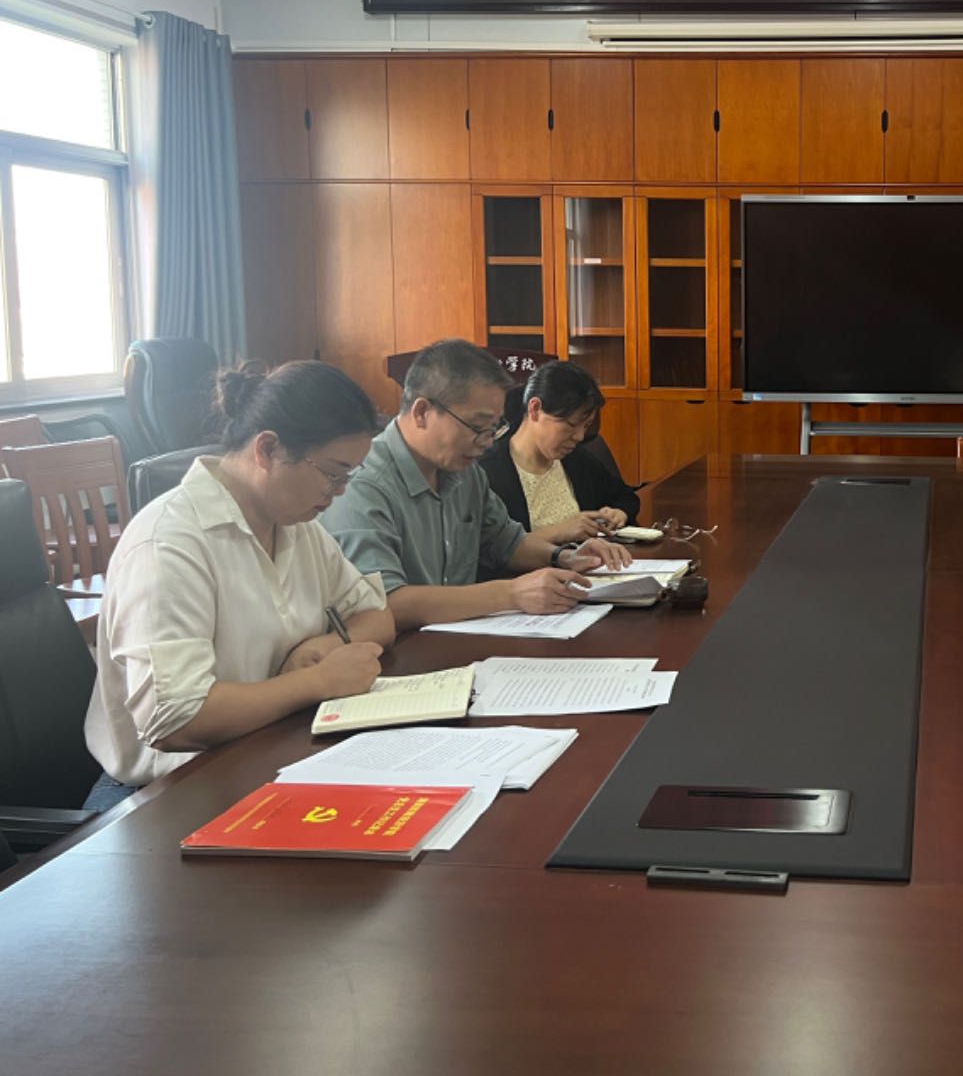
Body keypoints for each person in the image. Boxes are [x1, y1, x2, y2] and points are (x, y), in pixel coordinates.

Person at [84, 360, 397, 810]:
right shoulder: (169, 542)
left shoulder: (296, 526)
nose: (341, 490)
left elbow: (376, 616)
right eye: (333, 473)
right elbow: (176, 718)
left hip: (262, 752)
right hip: (162, 794)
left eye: (349, 476)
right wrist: (315, 680)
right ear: (267, 448)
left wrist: (325, 646)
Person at [321, 339, 628, 632]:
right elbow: (382, 604)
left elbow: (507, 542)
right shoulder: (363, 485)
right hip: (395, 652)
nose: (487, 442)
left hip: (459, 638)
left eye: (494, 428)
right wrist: (511, 594)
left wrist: (564, 557)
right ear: (422, 412)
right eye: (478, 427)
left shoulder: (464, 472)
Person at [481, 360, 641, 545]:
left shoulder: (576, 459)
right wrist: (559, 532)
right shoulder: (488, 471)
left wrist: (618, 512)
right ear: (535, 409)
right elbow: (489, 548)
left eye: (586, 426)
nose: (580, 436)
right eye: (571, 425)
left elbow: (625, 496)